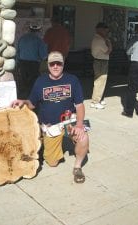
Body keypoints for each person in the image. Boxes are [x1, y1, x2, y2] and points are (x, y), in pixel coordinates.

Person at [12, 51, 89, 183]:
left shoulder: (72, 80)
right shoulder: (40, 81)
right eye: (52, 64)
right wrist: (23, 102)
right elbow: (32, 103)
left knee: (84, 137)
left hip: (68, 121)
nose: (55, 66)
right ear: (47, 65)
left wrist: (80, 125)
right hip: (50, 125)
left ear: (63, 64)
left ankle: (77, 167)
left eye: (58, 63)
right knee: (52, 163)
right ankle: (51, 144)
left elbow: (80, 105)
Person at [16, 24, 48, 99]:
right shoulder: (39, 40)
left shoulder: (22, 38)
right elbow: (43, 55)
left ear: (30, 30)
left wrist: (17, 64)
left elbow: (18, 52)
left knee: (24, 82)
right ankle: (32, 100)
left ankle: (22, 99)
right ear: (38, 31)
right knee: (33, 83)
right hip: (33, 65)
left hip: (22, 63)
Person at [90, 22, 112, 109]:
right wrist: (109, 42)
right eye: (105, 30)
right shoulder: (99, 40)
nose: (106, 32)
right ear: (100, 30)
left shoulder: (98, 39)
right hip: (101, 62)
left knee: (99, 81)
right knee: (100, 82)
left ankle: (97, 99)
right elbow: (108, 51)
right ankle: (95, 101)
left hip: (99, 61)